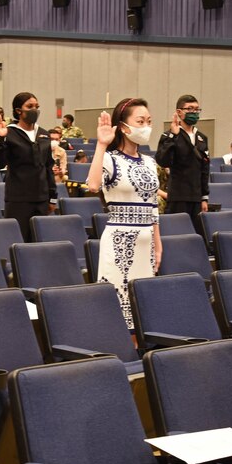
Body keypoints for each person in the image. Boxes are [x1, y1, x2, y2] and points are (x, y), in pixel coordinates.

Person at [87, 98, 162, 329]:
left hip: (146, 242)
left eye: (149, 121)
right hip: (120, 242)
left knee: (144, 310)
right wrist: (101, 145)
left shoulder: (150, 162)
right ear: (123, 126)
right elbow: (93, 185)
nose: (146, 126)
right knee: (118, 311)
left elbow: (153, 206)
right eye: (140, 121)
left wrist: (158, 244)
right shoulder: (110, 159)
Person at [0, 92, 56, 242]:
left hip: (41, 198)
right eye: (29, 106)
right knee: (19, 242)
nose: (34, 110)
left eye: (36, 107)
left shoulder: (44, 134)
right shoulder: (10, 132)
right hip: (18, 200)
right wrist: (1, 138)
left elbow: (48, 167)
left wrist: (52, 197)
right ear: (18, 111)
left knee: (40, 244)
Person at [154, 94, 209, 231]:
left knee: (196, 236)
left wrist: (204, 197)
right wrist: (174, 136)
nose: (194, 113)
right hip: (178, 196)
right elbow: (162, 160)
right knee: (176, 234)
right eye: (190, 109)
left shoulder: (202, 138)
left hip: (196, 197)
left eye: (197, 109)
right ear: (179, 112)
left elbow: (204, 168)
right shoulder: (169, 136)